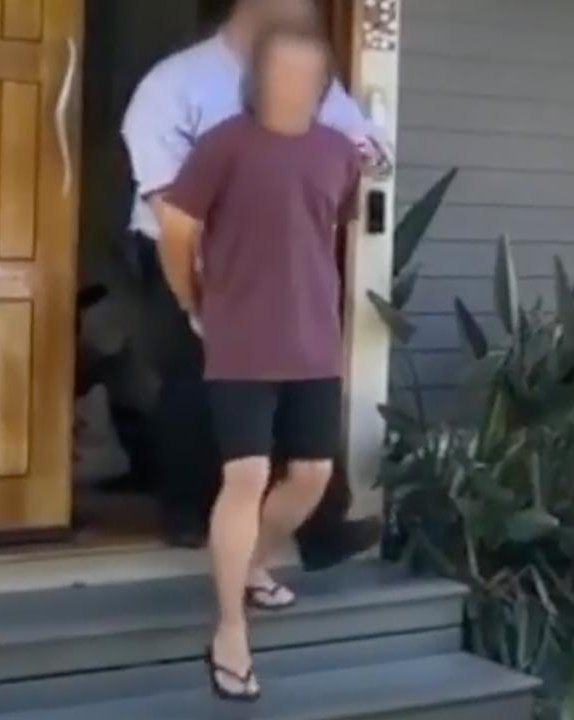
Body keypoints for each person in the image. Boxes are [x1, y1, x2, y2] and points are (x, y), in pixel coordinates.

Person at [119, 0, 388, 559]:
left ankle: (319, 527)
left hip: (279, 259)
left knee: (299, 382)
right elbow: (167, 200)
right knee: (190, 378)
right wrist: (202, 280)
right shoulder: (173, 83)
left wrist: (364, 152)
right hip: (184, 250)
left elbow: (359, 145)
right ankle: (187, 513)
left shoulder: (312, 79)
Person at [158, 19, 360, 701]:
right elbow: (176, 228)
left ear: (323, 85)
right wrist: (191, 298)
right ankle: (230, 631)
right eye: (281, 73)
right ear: (256, 80)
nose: (293, 86)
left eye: (307, 76)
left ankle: (253, 563)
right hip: (241, 338)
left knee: (311, 475)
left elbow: (327, 232)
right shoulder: (223, 145)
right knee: (245, 475)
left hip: (314, 342)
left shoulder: (339, 153)